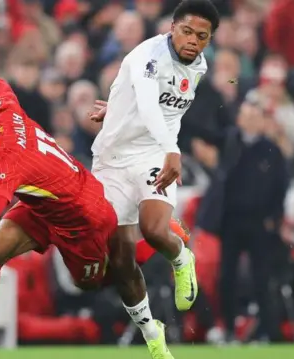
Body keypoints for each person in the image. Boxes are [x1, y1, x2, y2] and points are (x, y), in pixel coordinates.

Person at [0, 67, 189, 359]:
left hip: (83, 216)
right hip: (43, 205)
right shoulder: (3, 112)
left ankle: (159, 240)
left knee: (90, 282)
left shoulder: (4, 166)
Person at [88, 0, 220, 348]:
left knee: (155, 230)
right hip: (112, 160)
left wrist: (121, 111)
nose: (193, 40)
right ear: (172, 28)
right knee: (119, 259)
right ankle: (152, 334)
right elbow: (146, 102)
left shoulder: (199, 65)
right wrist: (123, 114)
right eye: (187, 31)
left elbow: (162, 109)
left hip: (152, 154)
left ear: (208, 40)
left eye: (201, 36)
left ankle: (181, 258)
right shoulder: (147, 55)